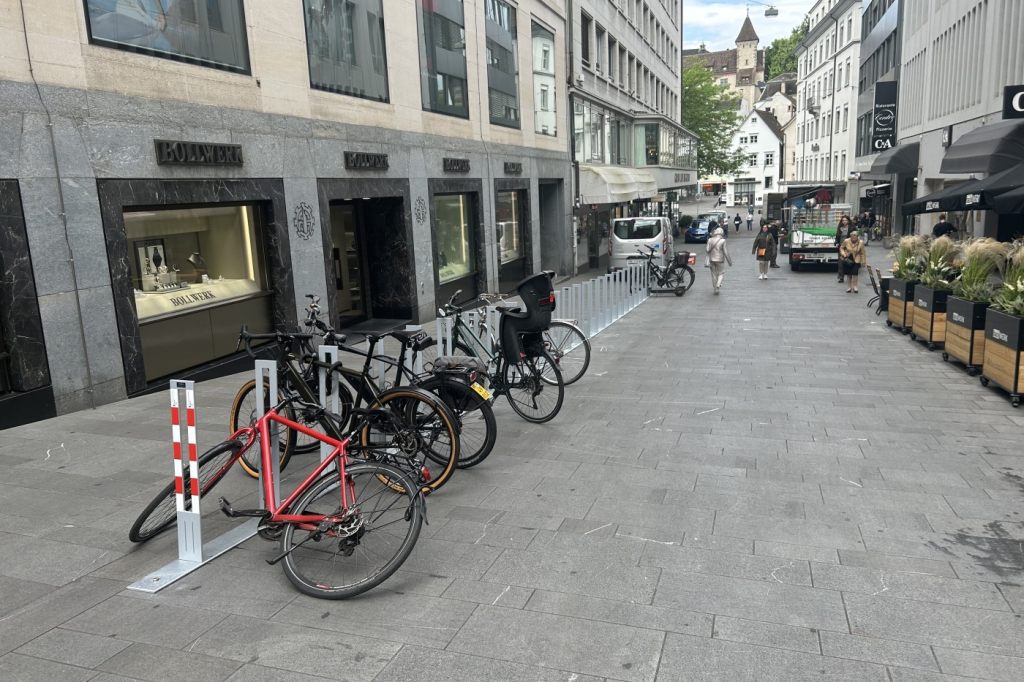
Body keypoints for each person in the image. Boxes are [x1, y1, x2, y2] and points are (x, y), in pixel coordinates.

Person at [706, 227, 732, 294]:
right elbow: (725, 252)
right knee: (721, 273)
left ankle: (715, 289)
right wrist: (729, 261)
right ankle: (718, 284)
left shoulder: (710, 240)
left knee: (713, 274)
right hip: (720, 260)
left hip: (712, 260)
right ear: (722, 233)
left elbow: (707, 250)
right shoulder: (723, 241)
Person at [834, 215, 854, 283]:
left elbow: (856, 236)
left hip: (849, 247)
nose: (844, 221)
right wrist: (836, 242)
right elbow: (837, 236)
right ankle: (841, 277)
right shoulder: (840, 227)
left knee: (849, 262)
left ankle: (850, 275)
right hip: (841, 247)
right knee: (841, 262)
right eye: (843, 220)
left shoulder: (852, 227)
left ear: (848, 221)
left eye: (845, 220)